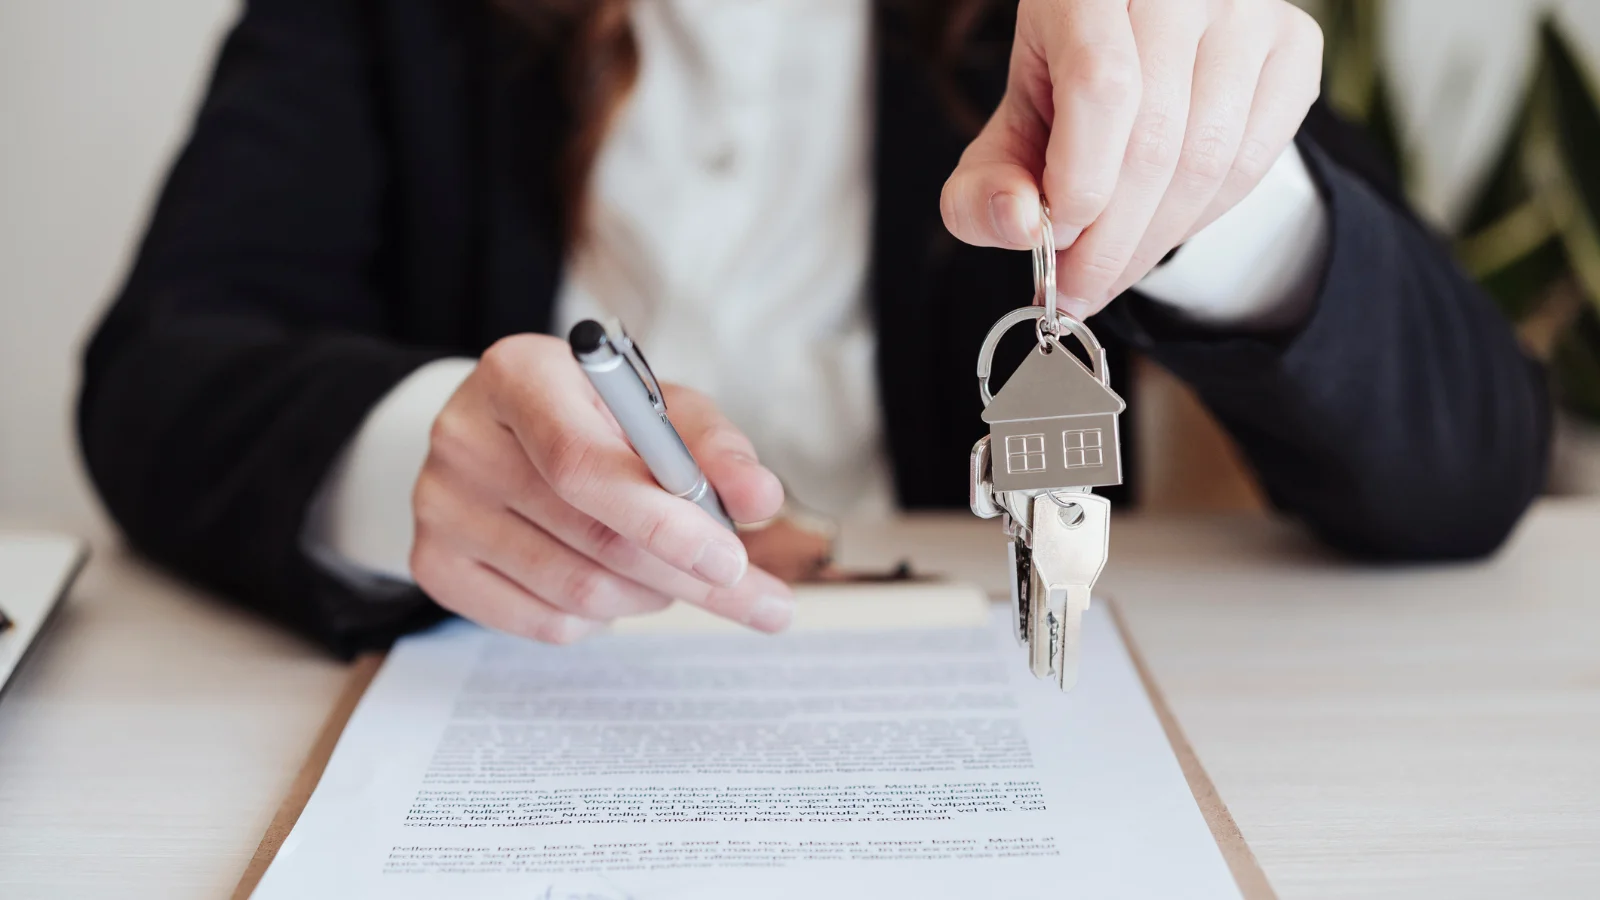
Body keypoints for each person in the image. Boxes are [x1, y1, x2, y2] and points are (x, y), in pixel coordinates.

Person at [78, 0, 1549, 657]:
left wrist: (1207, 182)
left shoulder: (1067, 12)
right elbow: (160, 365)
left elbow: (1471, 460)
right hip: (540, 706)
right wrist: (421, 453)